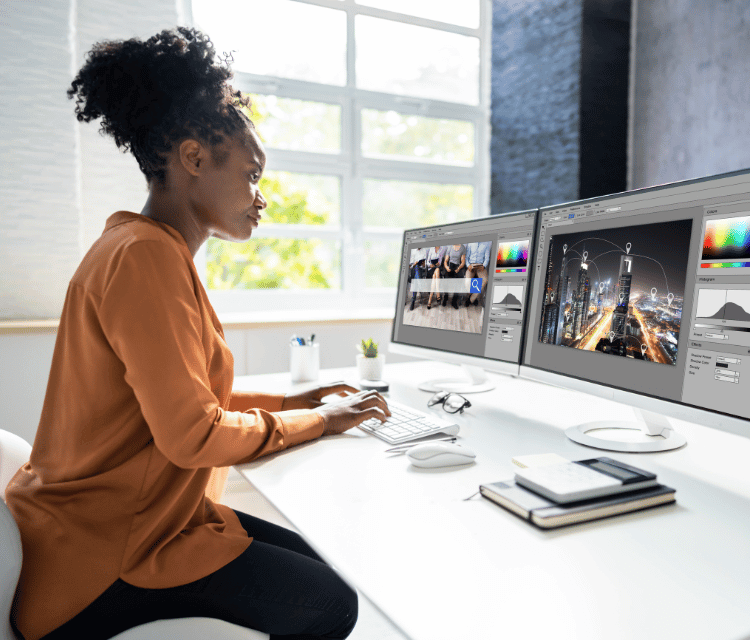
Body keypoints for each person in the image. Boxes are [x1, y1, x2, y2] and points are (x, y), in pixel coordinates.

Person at [4, 27, 390, 640]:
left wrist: (298, 403)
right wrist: (318, 423)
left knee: (325, 568)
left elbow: (183, 405)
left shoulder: (140, 248)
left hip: (125, 521)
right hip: (103, 556)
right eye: (252, 174)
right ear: (193, 158)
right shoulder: (143, 258)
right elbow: (192, 435)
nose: (261, 198)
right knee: (331, 604)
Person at [464, 241, 492, 306]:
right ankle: (473, 297)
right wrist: (468, 265)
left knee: (485, 280)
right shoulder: (470, 243)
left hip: (480, 266)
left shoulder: (486, 244)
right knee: (467, 281)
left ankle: (471, 299)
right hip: (471, 265)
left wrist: (484, 265)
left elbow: (487, 258)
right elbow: (466, 257)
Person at [442, 244, 467, 308]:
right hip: (450, 265)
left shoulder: (462, 248)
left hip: (458, 266)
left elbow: (463, 262)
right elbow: (445, 261)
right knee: (446, 279)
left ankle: (454, 301)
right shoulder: (450, 247)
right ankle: (445, 297)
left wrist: (458, 268)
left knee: (458, 281)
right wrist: (447, 267)